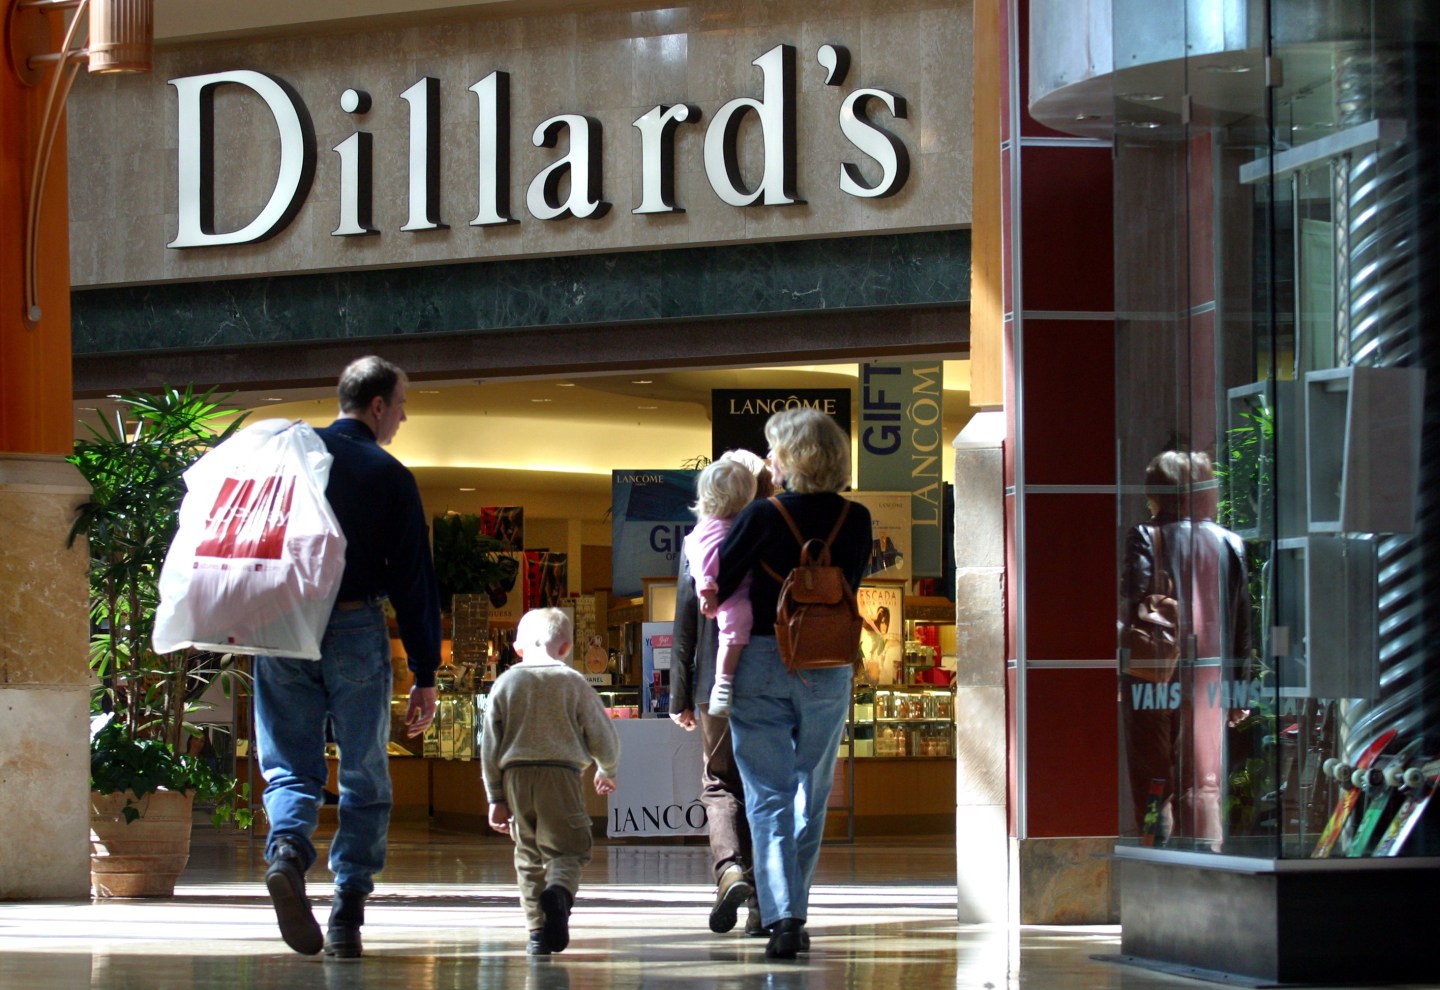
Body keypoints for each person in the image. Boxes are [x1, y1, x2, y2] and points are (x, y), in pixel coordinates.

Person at [253, 355, 442, 958]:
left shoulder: (290, 455)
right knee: (363, 770)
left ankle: (287, 851)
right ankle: (347, 911)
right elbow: (413, 579)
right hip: (355, 625)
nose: (403, 418)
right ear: (377, 405)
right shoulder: (387, 474)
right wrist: (425, 672)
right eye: (401, 406)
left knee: (290, 765)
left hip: (281, 624)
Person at [713, 408, 871, 958]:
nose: (770, 460)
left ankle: (781, 916)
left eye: (775, 450)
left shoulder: (762, 515)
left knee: (767, 794)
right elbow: (851, 581)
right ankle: (793, 912)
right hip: (827, 662)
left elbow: (718, 582)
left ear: (792, 457)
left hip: (760, 658)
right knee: (813, 789)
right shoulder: (856, 518)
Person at [1119, 450, 1249, 849]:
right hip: (1210, 677)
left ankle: (1155, 845)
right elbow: (1241, 621)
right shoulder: (1230, 542)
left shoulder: (1146, 536)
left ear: (1155, 493)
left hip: (1153, 676)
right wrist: (1239, 693)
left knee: (1152, 773)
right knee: (1203, 775)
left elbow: (1134, 598)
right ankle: (1205, 849)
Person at [670, 449, 772, 937]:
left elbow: (685, 624)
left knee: (719, 783)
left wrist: (678, 696)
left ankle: (729, 870)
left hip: (714, 685)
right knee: (762, 787)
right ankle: (762, 907)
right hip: (767, 678)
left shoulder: (697, 543)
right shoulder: (768, 535)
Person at [482, 608, 621, 956]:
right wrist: (607, 768)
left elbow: (489, 745)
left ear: (518, 648)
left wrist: (495, 797)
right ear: (566, 648)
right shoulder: (572, 682)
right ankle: (558, 893)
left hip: (515, 779)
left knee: (527, 855)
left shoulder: (505, 683)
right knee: (568, 849)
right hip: (561, 776)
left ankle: (537, 932)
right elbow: (601, 732)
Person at [683, 458, 759, 718]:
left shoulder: (722, 525)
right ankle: (723, 684)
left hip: (731, 589)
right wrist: (707, 591)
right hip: (729, 595)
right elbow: (705, 560)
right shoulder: (717, 528)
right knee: (737, 625)